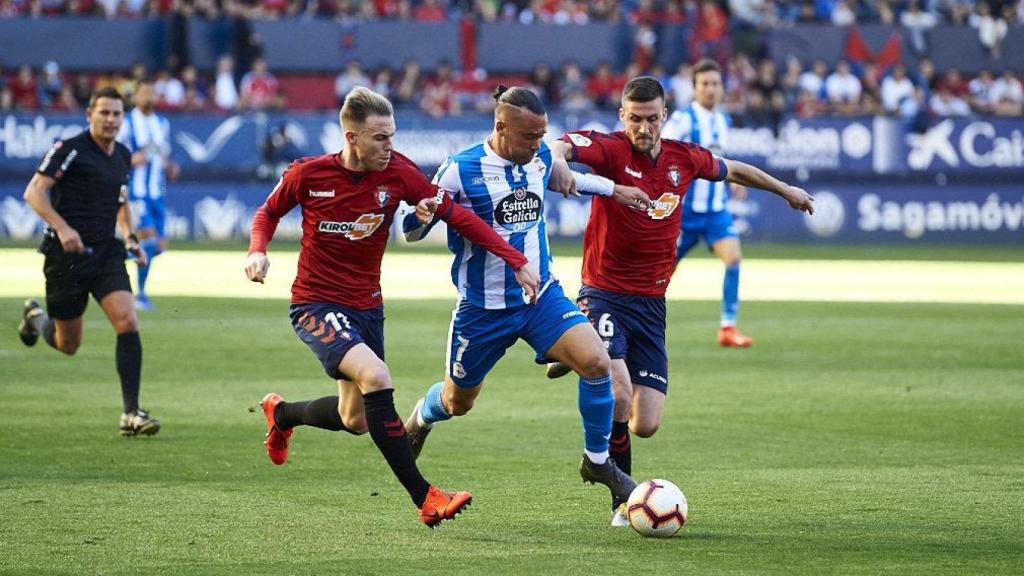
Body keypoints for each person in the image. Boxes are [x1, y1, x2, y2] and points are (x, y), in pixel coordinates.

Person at [244, 87, 539, 527]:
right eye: (380, 138)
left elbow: (458, 217)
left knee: (355, 418)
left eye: (392, 136)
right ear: (351, 137)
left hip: (367, 307)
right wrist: (257, 250)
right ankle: (427, 497)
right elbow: (267, 213)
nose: (390, 147)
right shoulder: (308, 174)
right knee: (377, 377)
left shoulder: (400, 174)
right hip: (316, 304)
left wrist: (516, 260)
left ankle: (282, 413)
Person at [545, 76, 814, 525]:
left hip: (652, 303)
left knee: (644, 423)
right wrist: (556, 160)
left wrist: (785, 190)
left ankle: (573, 349)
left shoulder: (682, 158)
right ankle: (621, 501)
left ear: (664, 116)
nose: (643, 128)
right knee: (618, 394)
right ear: (622, 116)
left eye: (651, 119)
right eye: (635, 119)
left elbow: (735, 169)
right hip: (604, 291)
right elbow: (562, 145)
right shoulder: (610, 149)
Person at [401, 86, 650, 510]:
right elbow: (410, 228)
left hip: (541, 299)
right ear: (501, 127)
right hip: (482, 309)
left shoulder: (537, 159)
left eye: (542, 136)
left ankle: (597, 461)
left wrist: (615, 191)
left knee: (596, 362)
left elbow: (565, 178)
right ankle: (422, 418)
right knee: (457, 402)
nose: (539, 146)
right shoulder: (460, 170)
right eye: (529, 137)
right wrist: (419, 219)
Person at [17, 87, 159, 437]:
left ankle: (131, 413)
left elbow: (121, 201)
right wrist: (62, 228)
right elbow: (34, 192)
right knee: (68, 344)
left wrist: (129, 237)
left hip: (106, 253)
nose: (110, 120)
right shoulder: (69, 150)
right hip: (66, 257)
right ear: (89, 116)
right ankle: (36, 320)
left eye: (116, 114)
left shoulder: (123, 155)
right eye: (104, 113)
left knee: (127, 321)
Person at [662, 59, 754, 347]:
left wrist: (734, 180)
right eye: (705, 84)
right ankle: (639, 320)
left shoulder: (723, 120)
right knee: (660, 273)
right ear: (694, 88)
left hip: (715, 210)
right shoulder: (683, 120)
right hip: (684, 212)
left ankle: (728, 327)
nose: (710, 89)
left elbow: (719, 160)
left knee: (734, 258)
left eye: (715, 84)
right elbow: (661, 153)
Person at [117, 79, 179, 311]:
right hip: (137, 193)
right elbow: (115, 154)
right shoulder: (127, 123)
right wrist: (130, 159)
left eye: (152, 92)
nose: (148, 97)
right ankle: (140, 295)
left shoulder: (162, 123)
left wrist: (170, 166)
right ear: (135, 97)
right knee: (149, 242)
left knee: (159, 246)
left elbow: (161, 155)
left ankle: (109, 261)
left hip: (158, 193)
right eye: (144, 93)